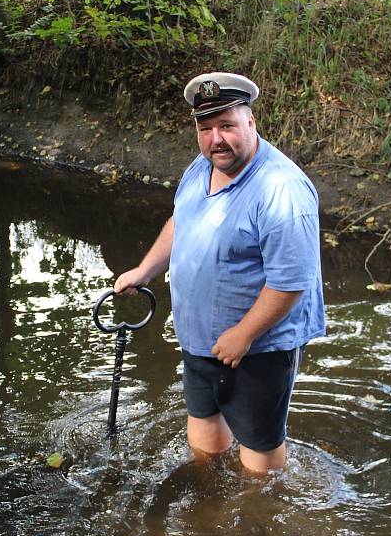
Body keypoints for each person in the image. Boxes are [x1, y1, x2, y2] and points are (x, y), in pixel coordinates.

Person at [114, 72, 325, 473]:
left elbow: (292, 281)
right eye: (206, 128)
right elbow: (182, 221)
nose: (216, 139)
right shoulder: (201, 166)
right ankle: (207, 505)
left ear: (250, 122)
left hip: (258, 347)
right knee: (205, 434)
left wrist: (242, 336)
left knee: (260, 455)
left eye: (227, 125)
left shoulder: (281, 190)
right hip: (200, 338)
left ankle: (260, 521)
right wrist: (146, 269)